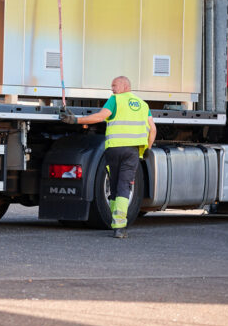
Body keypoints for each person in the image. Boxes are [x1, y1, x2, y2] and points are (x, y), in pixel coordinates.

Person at [59, 76, 156, 238]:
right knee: (124, 186)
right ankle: (119, 227)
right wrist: (148, 147)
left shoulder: (115, 100)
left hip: (114, 150)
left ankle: (115, 220)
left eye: (114, 85)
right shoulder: (143, 105)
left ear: (125, 86)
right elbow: (152, 129)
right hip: (132, 151)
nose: (112, 88)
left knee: (114, 185)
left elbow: (100, 117)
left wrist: (76, 120)